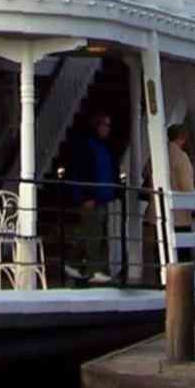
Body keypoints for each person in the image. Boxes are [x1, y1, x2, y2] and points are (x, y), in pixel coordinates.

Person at [66, 111, 119, 283]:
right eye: (105, 125)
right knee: (93, 234)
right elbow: (82, 171)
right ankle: (94, 270)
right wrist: (86, 195)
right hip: (91, 197)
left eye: (109, 126)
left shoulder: (104, 146)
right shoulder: (87, 146)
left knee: (89, 232)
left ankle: (72, 262)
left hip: (102, 196)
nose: (107, 129)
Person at [166, 122, 195, 261]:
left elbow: (144, 173)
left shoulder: (160, 152)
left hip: (157, 214)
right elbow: (186, 185)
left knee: (163, 253)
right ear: (181, 137)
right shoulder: (181, 157)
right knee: (183, 256)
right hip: (179, 215)